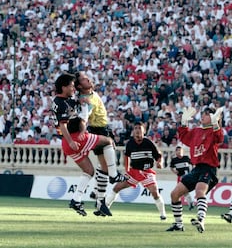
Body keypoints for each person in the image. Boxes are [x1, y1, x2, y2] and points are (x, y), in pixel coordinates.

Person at [51, 73, 114, 216]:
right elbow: (63, 125)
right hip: (75, 138)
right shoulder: (63, 103)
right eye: (71, 86)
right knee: (108, 141)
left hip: (67, 144)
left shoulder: (61, 100)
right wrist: (71, 140)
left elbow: (75, 105)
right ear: (64, 87)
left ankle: (76, 199)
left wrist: (81, 101)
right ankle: (114, 175)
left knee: (89, 171)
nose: (73, 88)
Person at [74, 71, 125, 214]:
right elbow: (85, 115)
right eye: (84, 79)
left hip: (102, 129)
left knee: (104, 167)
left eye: (87, 77)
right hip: (99, 130)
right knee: (106, 166)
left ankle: (99, 198)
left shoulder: (89, 95)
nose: (88, 79)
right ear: (79, 85)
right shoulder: (87, 99)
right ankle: (101, 195)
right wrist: (83, 127)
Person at [166, 107, 223, 233]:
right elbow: (184, 137)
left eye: (207, 114)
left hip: (209, 168)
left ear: (215, 118)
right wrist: (183, 122)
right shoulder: (197, 131)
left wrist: (215, 124)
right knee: (174, 194)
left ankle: (201, 220)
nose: (203, 116)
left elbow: (220, 139)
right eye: (203, 114)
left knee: (199, 191)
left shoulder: (214, 131)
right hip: (196, 169)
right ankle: (178, 224)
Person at [105, 121, 167, 220]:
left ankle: (163, 214)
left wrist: (160, 162)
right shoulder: (130, 143)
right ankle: (105, 207)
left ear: (144, 131)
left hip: (146, 172)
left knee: (154, 192)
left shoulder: (148, 142)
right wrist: (127, 170)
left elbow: (159, 155)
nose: (137, 130)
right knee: (117, 187)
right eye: (135, 128)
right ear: (133, 131)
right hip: (134, 172)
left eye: (139, 128)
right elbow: (126, 157)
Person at [169, 146, 194, 211]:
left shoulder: (186, 158)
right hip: (180, 177)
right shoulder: (174, 160)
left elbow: (193, 164)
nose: (179, 152)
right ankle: (190, 203)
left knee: (183, 191)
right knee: (182, 191)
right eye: (178, 151)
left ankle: (179, 203)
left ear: (183, 152)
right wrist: (174, 171)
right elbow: (171, 167)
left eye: (180, 151)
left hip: (187, 177)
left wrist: (192, 171)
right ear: (176, 152)